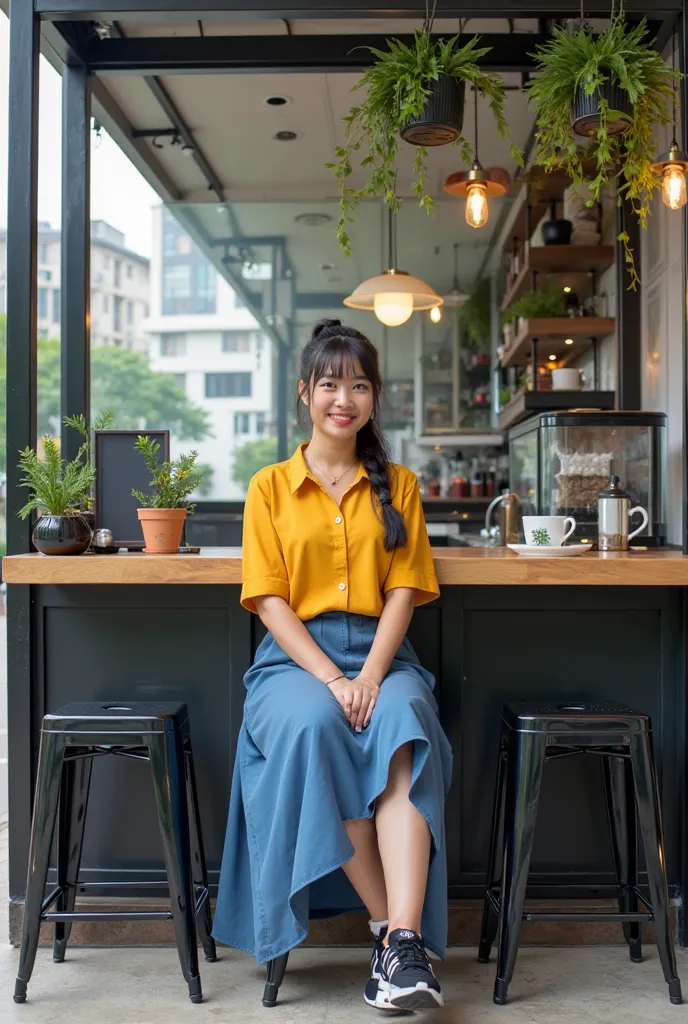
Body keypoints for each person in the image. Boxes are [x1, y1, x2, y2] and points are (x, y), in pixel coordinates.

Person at [213, 319, 453, 1011]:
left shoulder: (398, 484)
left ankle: (399, 939)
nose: (342, 398)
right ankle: (393, 934)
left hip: (383, 650)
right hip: (295, 662)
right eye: (328, 384)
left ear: (375, 396)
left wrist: (372, 675)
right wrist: (333, 679)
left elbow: (405, 589)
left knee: (402, 718)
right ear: (304, 394)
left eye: (358, 384)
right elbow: (268, 601)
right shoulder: (269, 487)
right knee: (318, 725)